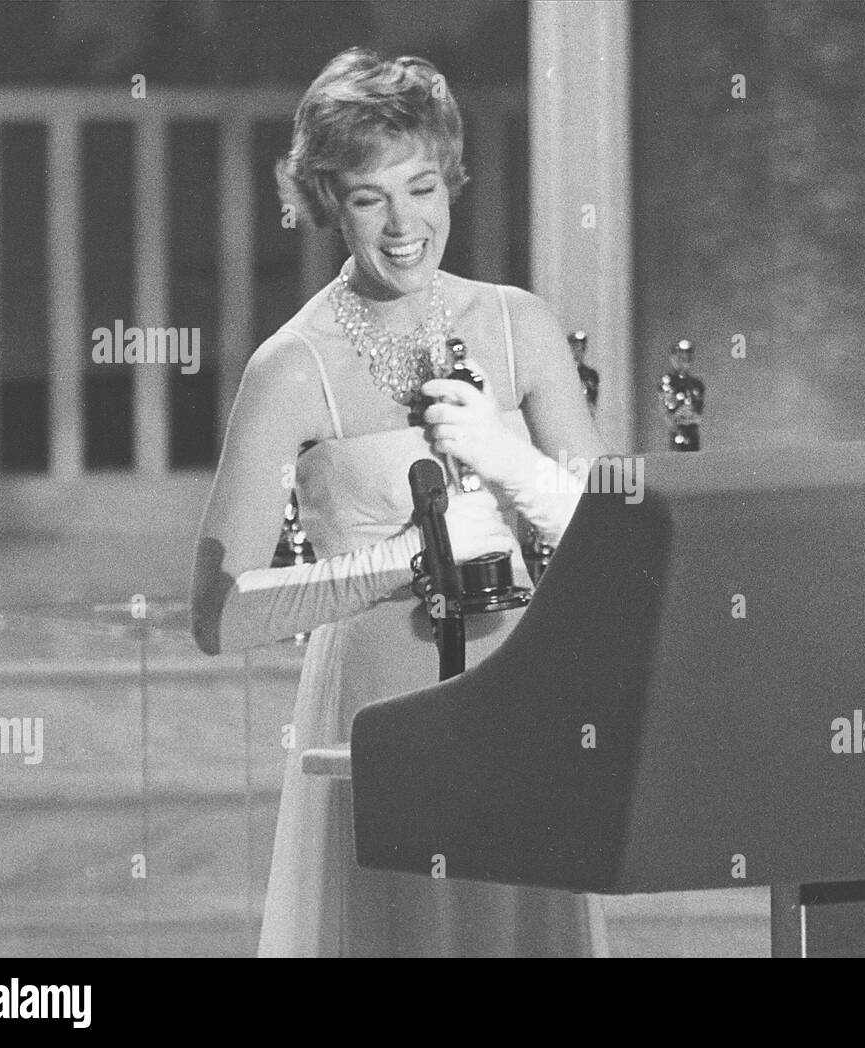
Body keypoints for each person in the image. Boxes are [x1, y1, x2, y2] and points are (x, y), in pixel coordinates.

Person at [190, 47, 609, 957]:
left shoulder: (519, 325)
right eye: (370, 197)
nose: (403, 223)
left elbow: (616, 551)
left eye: (422, 187)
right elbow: (217, 618)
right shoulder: (290, 368)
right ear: (326, 202)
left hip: (518, 697)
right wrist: (408, 565)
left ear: (452, 178)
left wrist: (508, 461)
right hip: (374, 714)